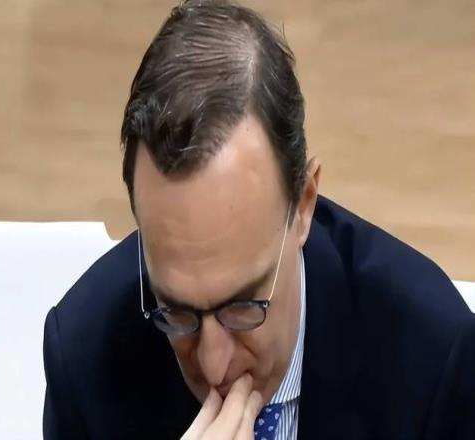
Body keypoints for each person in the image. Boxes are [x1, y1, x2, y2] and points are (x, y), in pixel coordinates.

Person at [42, 1, 475, 438]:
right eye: (176, 312)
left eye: (243, 306)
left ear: (303, 205)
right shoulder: (84, 359)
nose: (214, 365)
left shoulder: (433, 360)